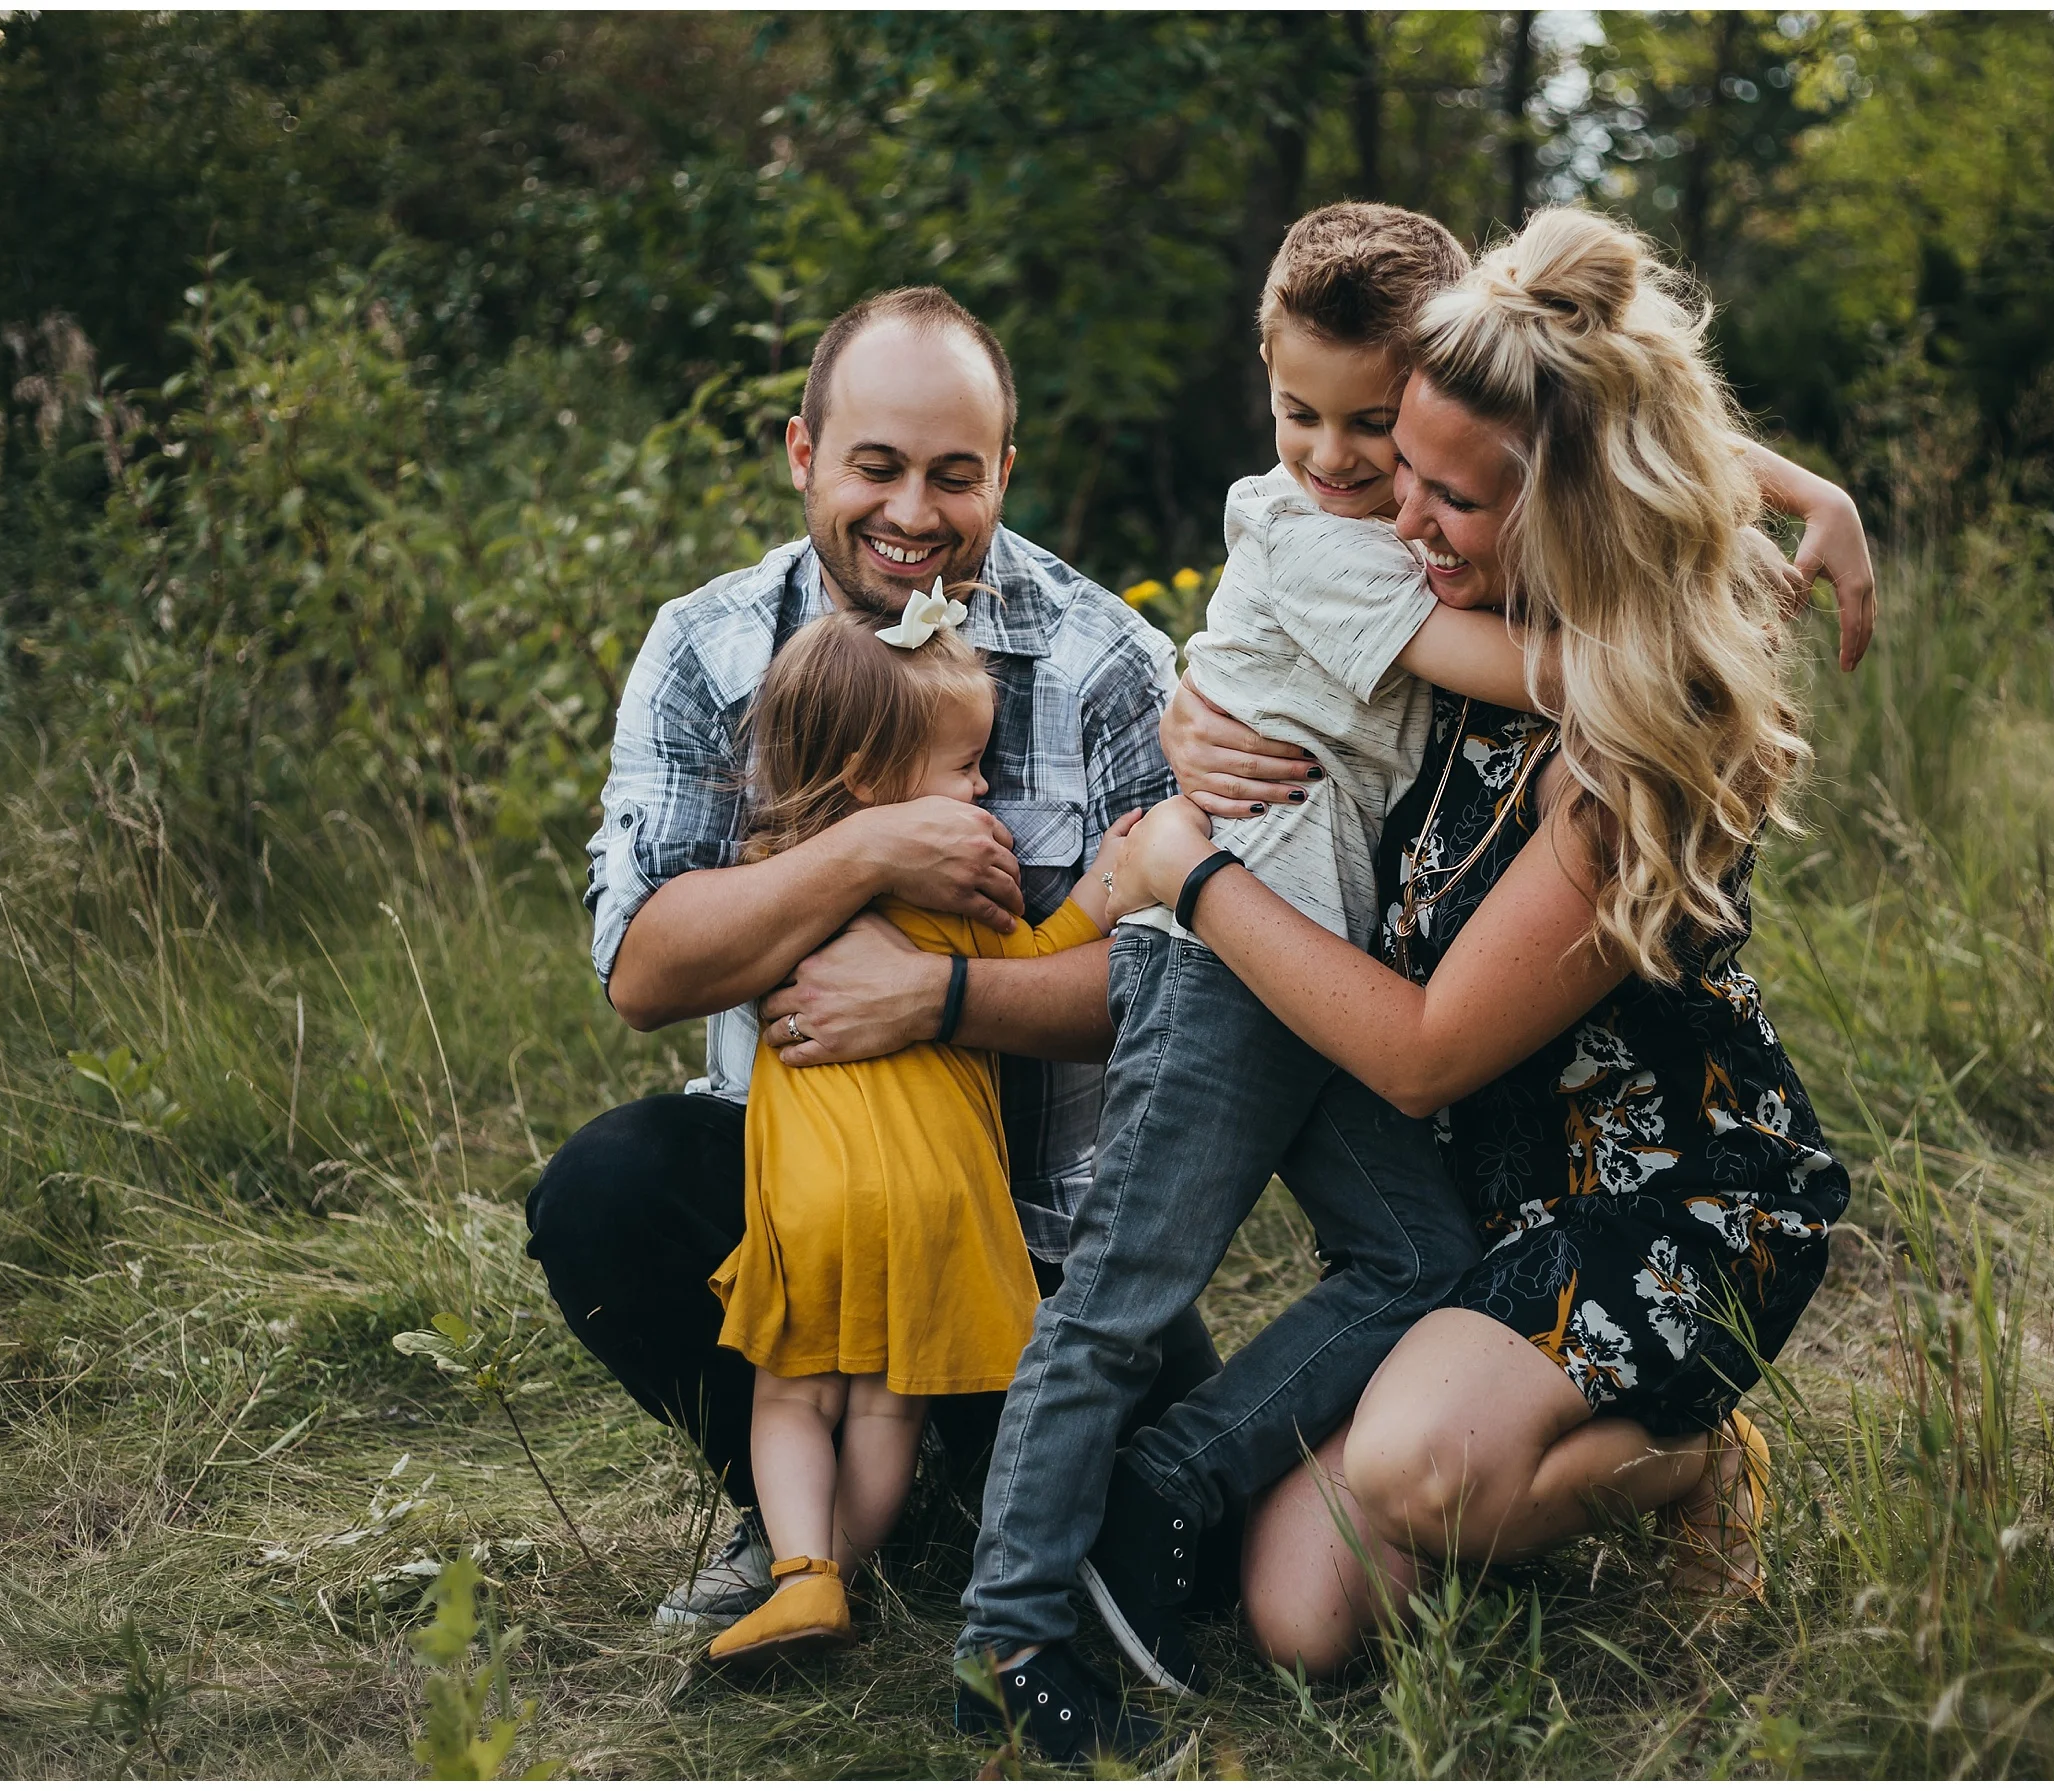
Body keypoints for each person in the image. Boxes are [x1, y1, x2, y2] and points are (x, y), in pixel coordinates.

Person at [957, 201, 1869, 1763]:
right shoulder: (1394, 569)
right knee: (1290, 1592)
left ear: (1563, 508)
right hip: (1380, 1096)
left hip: (1644, 1183)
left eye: (1434, 482)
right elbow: (1519, 435)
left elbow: (1429, 1048)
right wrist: (1202, 701)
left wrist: (1187, 865)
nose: (1390, 505)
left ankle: (1680, 1456)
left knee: (1407, 1376)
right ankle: (1069, 1575)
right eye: (1384, 460)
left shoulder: (1608, 733)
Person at [524, 285, 1222, 1637]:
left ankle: (969, 1491)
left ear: (1003, 475)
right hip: (813, 1201)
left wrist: (945, 994)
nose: (913, 513)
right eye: (876, 466)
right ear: (804, 455)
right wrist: (868, 853)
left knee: (1202, 1568)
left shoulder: (1111, 664)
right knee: (605, 1192)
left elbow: (1180, 992)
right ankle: (807, 1527)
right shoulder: (713, 647)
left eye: (954, 475)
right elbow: (643, 969)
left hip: (1057, 1242)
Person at [702, 601, 1139, 1667]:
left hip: (813, 1199)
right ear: (868, 777)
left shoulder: (772, 882)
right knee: (889, 1415)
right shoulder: (950, 877)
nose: (980, 792)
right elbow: (1034, 965)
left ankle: (802, 1579)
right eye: (964, 768)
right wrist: (1106, 890)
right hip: (940, 1201)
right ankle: (845, 1573)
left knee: (793, 1394)